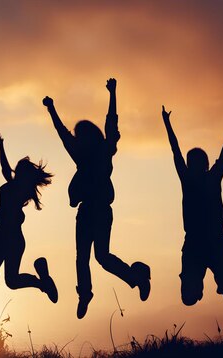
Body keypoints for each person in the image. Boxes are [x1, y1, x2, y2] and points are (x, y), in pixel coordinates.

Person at [43, 78, 151, 319]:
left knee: (101, 256)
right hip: (87, 211)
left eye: (79, 134)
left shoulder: (103, 152)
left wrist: (113, 94)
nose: (76, 137)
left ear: (88, 136)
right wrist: (51, 109)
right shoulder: (83, 155)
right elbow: (62, 134)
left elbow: (111, 123)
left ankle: (136, 277)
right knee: (83, 257)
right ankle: (85, 294)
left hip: (100, 210)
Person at [161, 97, 223, 306]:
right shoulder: (188, 179)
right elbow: (175, 151)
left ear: (202, 165)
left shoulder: (213, 177)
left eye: (193, 161)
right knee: (188, 299)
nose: (190, 165)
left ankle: (221, 281)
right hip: (194, 245)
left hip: (216, 244)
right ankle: (198, 285)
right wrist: (167, 124)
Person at [0, 132, 58, 303]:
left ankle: (43, 282)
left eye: (18, 169)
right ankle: (43, 279)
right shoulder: (15, 185)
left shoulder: (20, 189)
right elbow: (5, 169)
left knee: (12, 282)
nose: (14, 171)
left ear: (23, 174)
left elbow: (6, 170)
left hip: (12, 238)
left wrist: (1, 147)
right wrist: (1, 146)